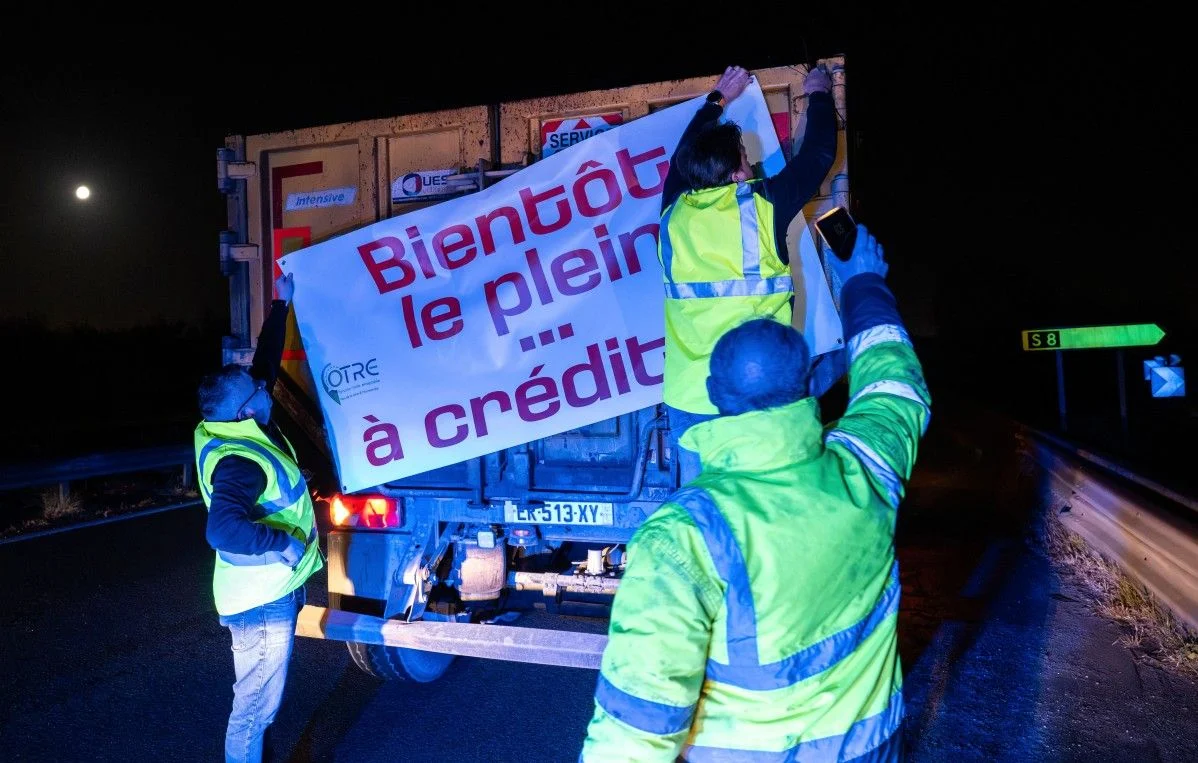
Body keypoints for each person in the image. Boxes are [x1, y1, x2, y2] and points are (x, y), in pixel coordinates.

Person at [582, 226, 930, 761]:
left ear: (714, 396)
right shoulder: (866, 470)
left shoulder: (686, 538)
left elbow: (639, 723)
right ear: (808, 385)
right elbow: (895, 387)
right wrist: (862, 283)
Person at [659, 63, 838, 484]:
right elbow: (818, 157)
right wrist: (818, 92)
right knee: (762, 509)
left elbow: (678, 161)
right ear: (738, 172)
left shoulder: (671, 214)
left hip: (688, 400)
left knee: (705, 516)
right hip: (754, 395)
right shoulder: (763, 205)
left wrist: (718, 97)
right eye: (746, 158)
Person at [194, 273, 323, 763]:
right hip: (260, 599)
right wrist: (282, 544)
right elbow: (222, 529)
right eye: (258, 392)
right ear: (244, 411)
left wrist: (279, 305)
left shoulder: (232, 421)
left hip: (264, 592)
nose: (267, 390)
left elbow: (265, 364)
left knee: (258, 705)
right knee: (253, 709)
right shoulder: (239, 461)